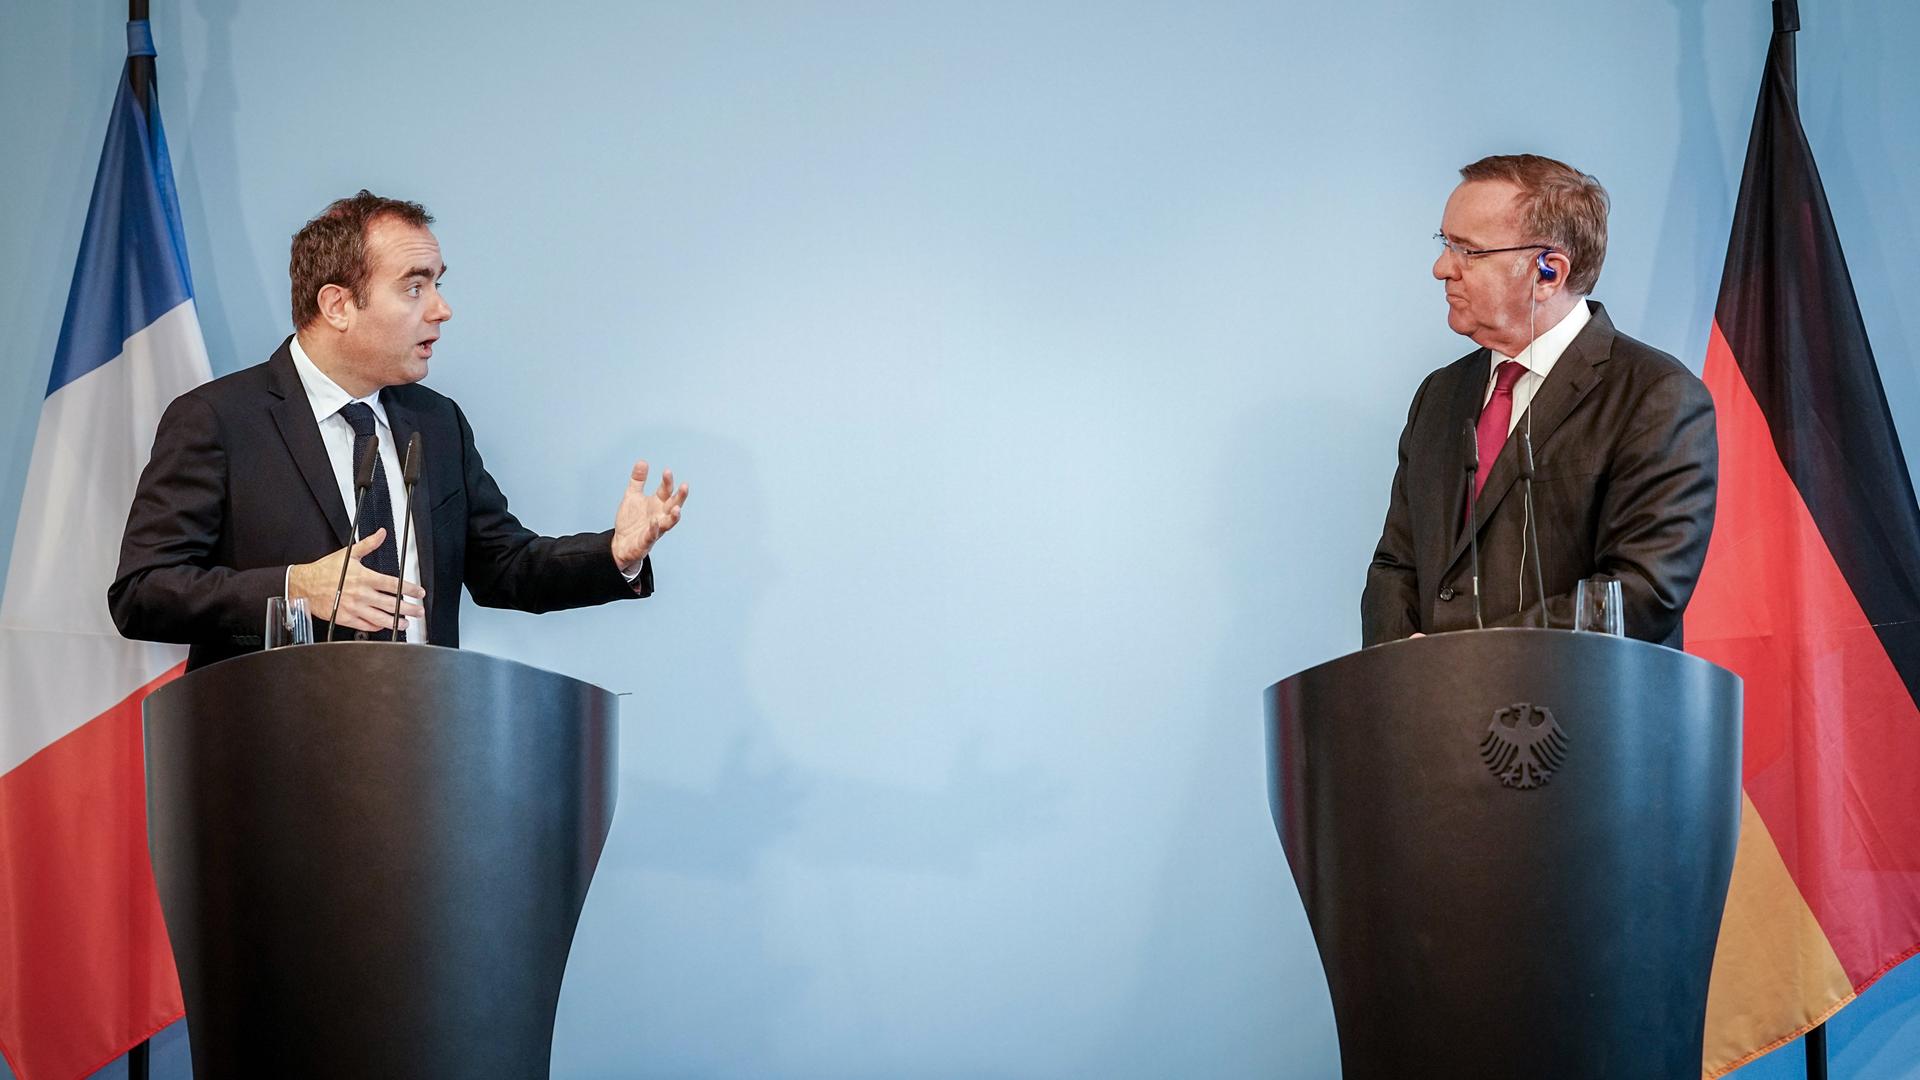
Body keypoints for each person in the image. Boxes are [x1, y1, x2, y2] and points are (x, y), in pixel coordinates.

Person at [109, 191, 689, 669]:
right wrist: (292, 587)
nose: (441, 308)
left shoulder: (436, 422)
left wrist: (615, 556)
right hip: (272, 766)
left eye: (437, 283)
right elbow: (143, 592)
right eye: (415, 287)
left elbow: (505, 569)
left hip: (420, 754)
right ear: (338, 305)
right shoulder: (219, 419)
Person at [1361, 154, 1716, 648]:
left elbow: (1641, 589)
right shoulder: (1439, 396)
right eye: (1446, 244)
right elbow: (1396, 564)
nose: (1442, 268)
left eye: (1469, 251)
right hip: (1431, 714)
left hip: (1572, 716)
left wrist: (1474, 666)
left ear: (1547, 273)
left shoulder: (1654, 396)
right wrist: (1409, 673)